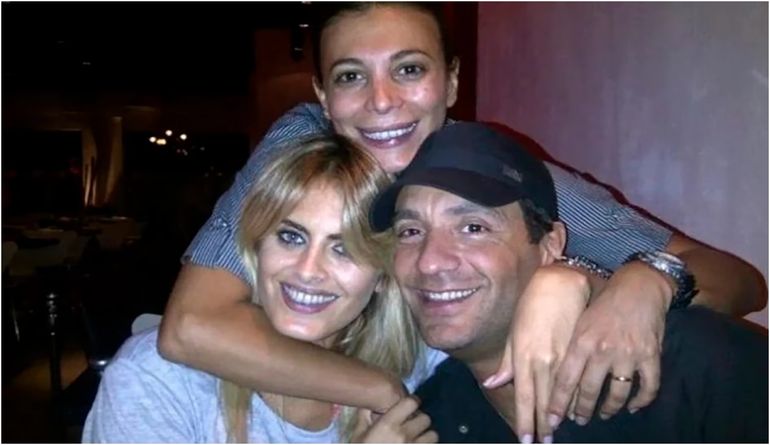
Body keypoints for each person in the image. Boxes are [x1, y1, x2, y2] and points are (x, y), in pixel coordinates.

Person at [157, 2, 766, 442]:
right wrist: (381, 391)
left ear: (451, 80)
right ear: (322, 95)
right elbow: (192, 326)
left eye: (409, 69)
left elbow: (738, 282)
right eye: (351, 76)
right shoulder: (303, 151)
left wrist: (637, 284)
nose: (381, 101)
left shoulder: (498, 174)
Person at [369, 121, 768, 443]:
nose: (430, 261)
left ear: (550, 245)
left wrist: (648, 279)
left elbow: (744, 284)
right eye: (410, 232)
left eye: (474, 227)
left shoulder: (695, 366)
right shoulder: (426, 425)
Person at [83, 135, 441, 443]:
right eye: (291, 237)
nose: (307, 270)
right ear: (256, 247)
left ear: (383, 275)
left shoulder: (408, 365)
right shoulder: (157, 378)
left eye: (343, 248)